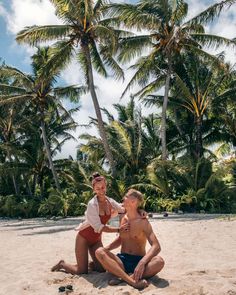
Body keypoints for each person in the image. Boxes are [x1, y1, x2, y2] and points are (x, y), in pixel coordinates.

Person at [51, 172, 130, 274]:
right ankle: (62, 264)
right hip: (84, 238)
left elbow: (123, 209)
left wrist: (140, 211)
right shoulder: (92, 204)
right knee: (81, 271)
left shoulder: (110, 201)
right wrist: (119, 229)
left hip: (96, 240)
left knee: (101, 269)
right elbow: (99, 227)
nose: (101, 190)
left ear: (106, 186)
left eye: (103, 187)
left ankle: (85, 263)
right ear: (94, 189)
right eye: (98, 188)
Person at [95, 189, 165, 290]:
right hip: (122, 260)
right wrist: (106, 250)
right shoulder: (123, 217)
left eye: (126, 196)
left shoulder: (143, 221)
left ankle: (124, 278)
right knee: (99, 251)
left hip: (138, 260)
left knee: (159, 261)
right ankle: (131, 280)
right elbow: (121, 239)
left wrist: (142, 262)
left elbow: (156, 246)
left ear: (133, 201)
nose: (123, 198)